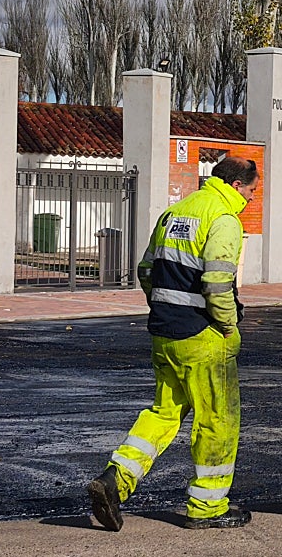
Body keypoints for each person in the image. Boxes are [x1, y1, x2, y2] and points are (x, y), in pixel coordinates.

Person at [87, 155, 260, 532]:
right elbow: (217, 284)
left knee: (164, 413)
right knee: (217, 419)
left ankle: (115, 478)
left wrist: (165, 307)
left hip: (165, 333)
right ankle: (208, 506)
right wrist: (228, 325)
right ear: (236, 185)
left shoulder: (175, 213)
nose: (251, 198)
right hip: (203, 336)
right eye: (251, 190)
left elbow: (146, 270)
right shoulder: (223, 218)